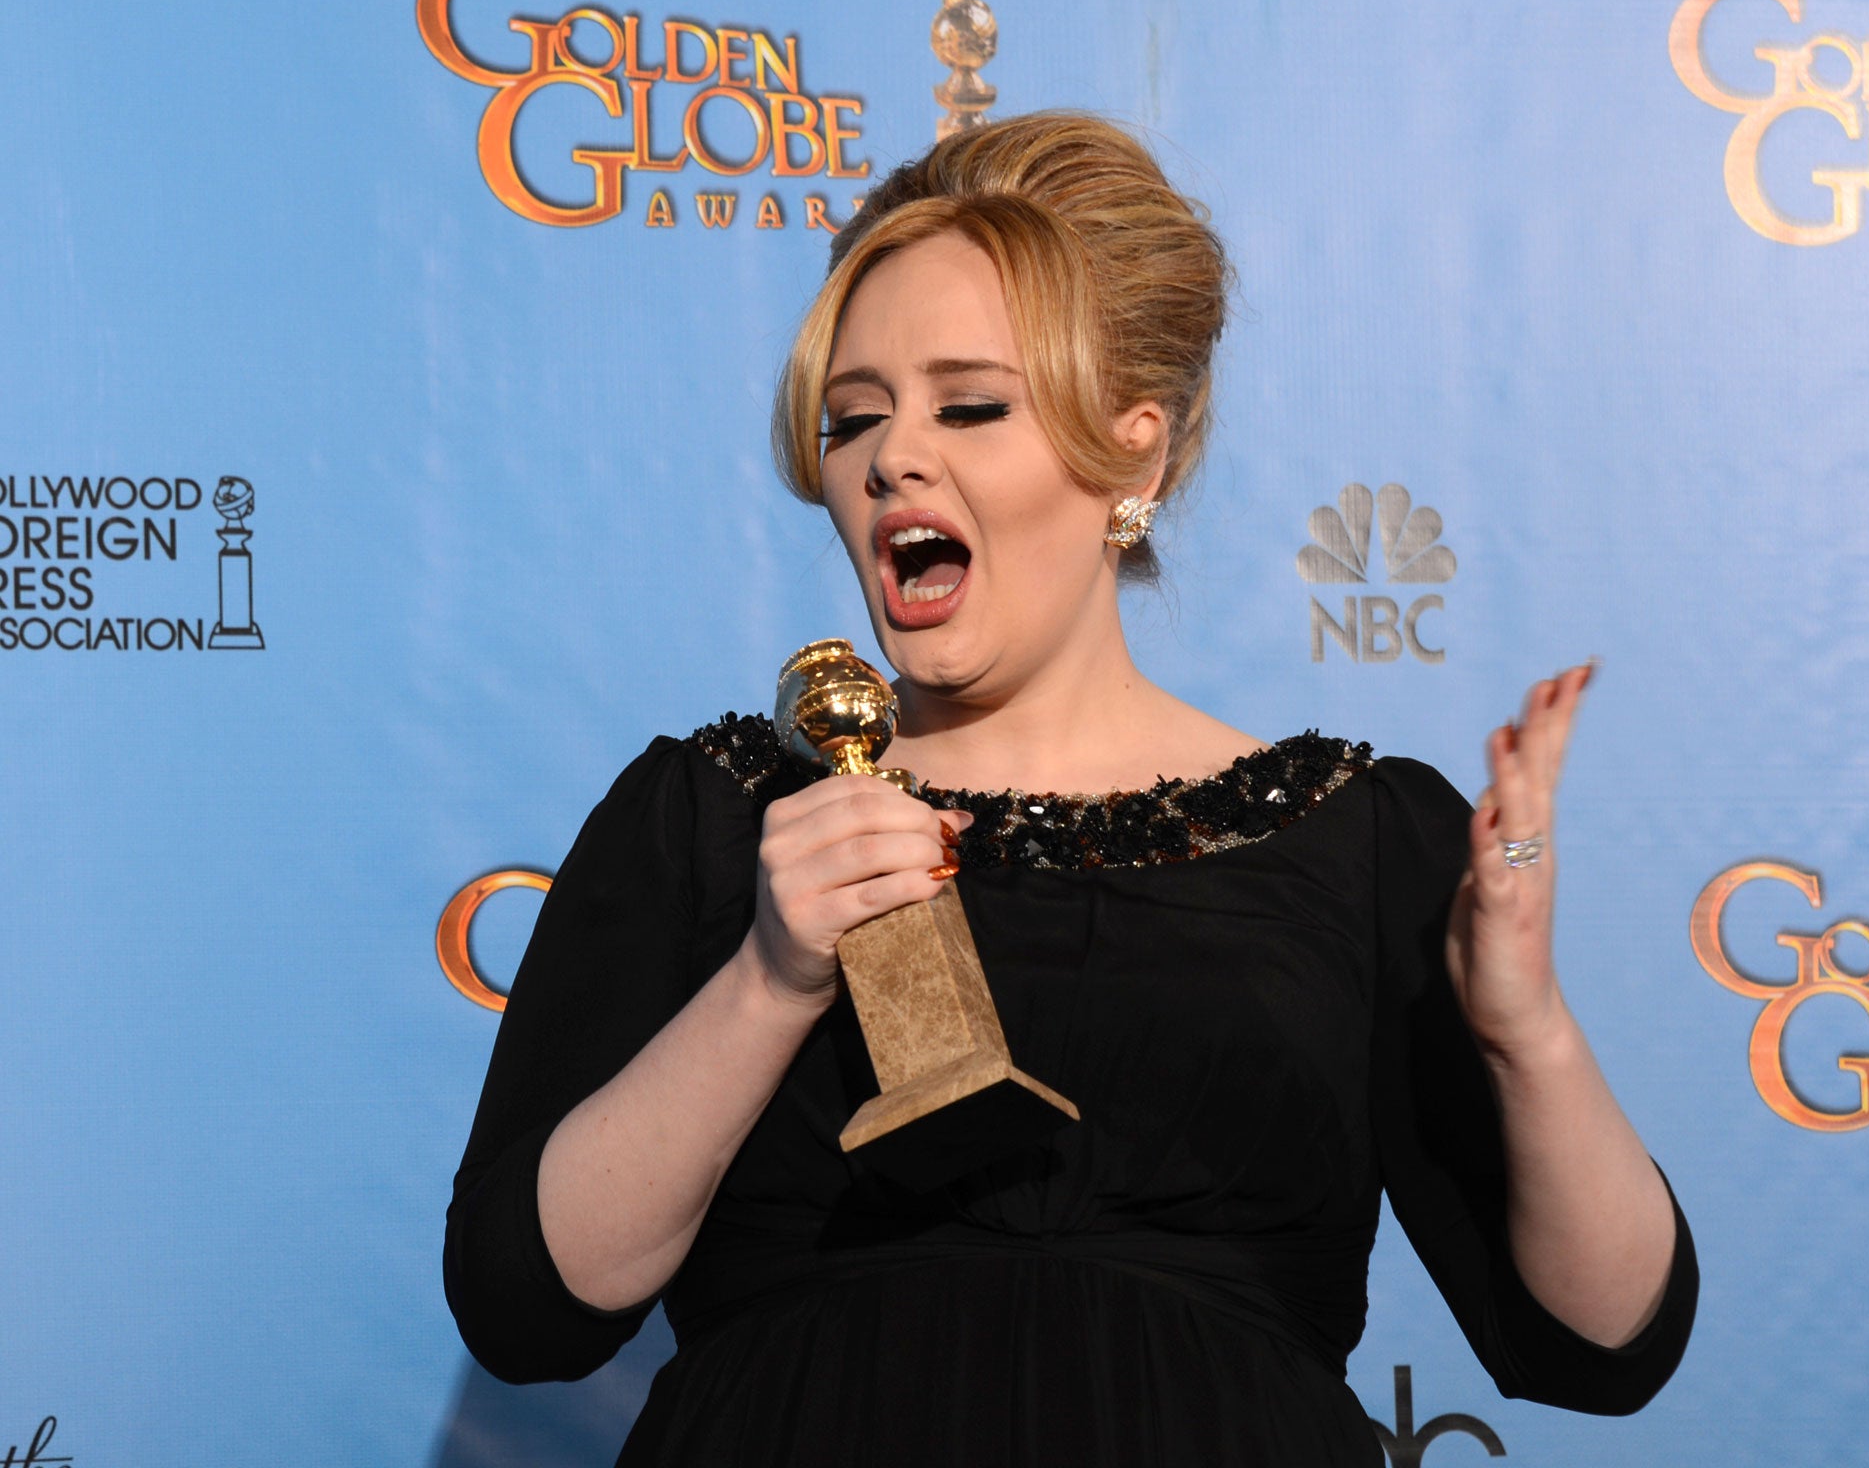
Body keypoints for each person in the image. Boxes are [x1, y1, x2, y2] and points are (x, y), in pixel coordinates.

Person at [443, 110, 1698, 1466]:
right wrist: (769, 979)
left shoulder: (1357, 835)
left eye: (970, 406)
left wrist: (1527, 1035)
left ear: (1133, 457)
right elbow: (526, 1309)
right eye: (853, 418)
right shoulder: (715, 817)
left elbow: (1606, 1345)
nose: (891, 460)